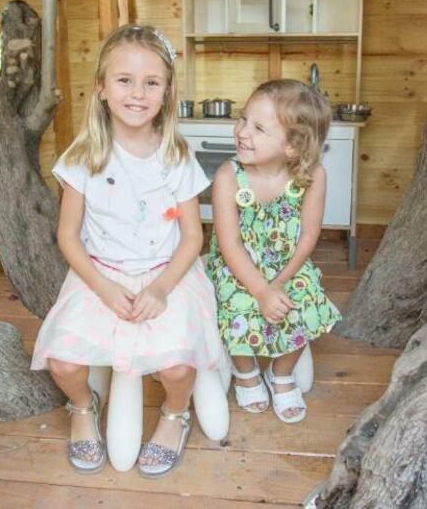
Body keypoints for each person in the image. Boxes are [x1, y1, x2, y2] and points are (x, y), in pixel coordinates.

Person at [31, 24, 222, 477]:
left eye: (151, 82)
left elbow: (193, 238)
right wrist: (102, 287)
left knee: (177, 369)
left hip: (168, 273)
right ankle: (83, 406)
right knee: (62, 363)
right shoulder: (82, 158)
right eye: (124, 80)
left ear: (166, 91)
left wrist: (159, 289)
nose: (138, 93)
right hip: (100, 274)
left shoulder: (176, 157)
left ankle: (175, 412)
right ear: (101, 87)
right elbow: (68, 236)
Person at [205, 79, 342, 424]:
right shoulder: (229, 176)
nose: (242, 131)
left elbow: (308, 237)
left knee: (305, 301)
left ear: (293, 147)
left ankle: (281, 374)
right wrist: (261, 290)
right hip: (238, 265)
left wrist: (279, 283)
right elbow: (229, 244)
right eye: (243, 119)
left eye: (258, 128)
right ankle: (245, 371)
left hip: (287, 265)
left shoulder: (313, 177)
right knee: (234, 303)